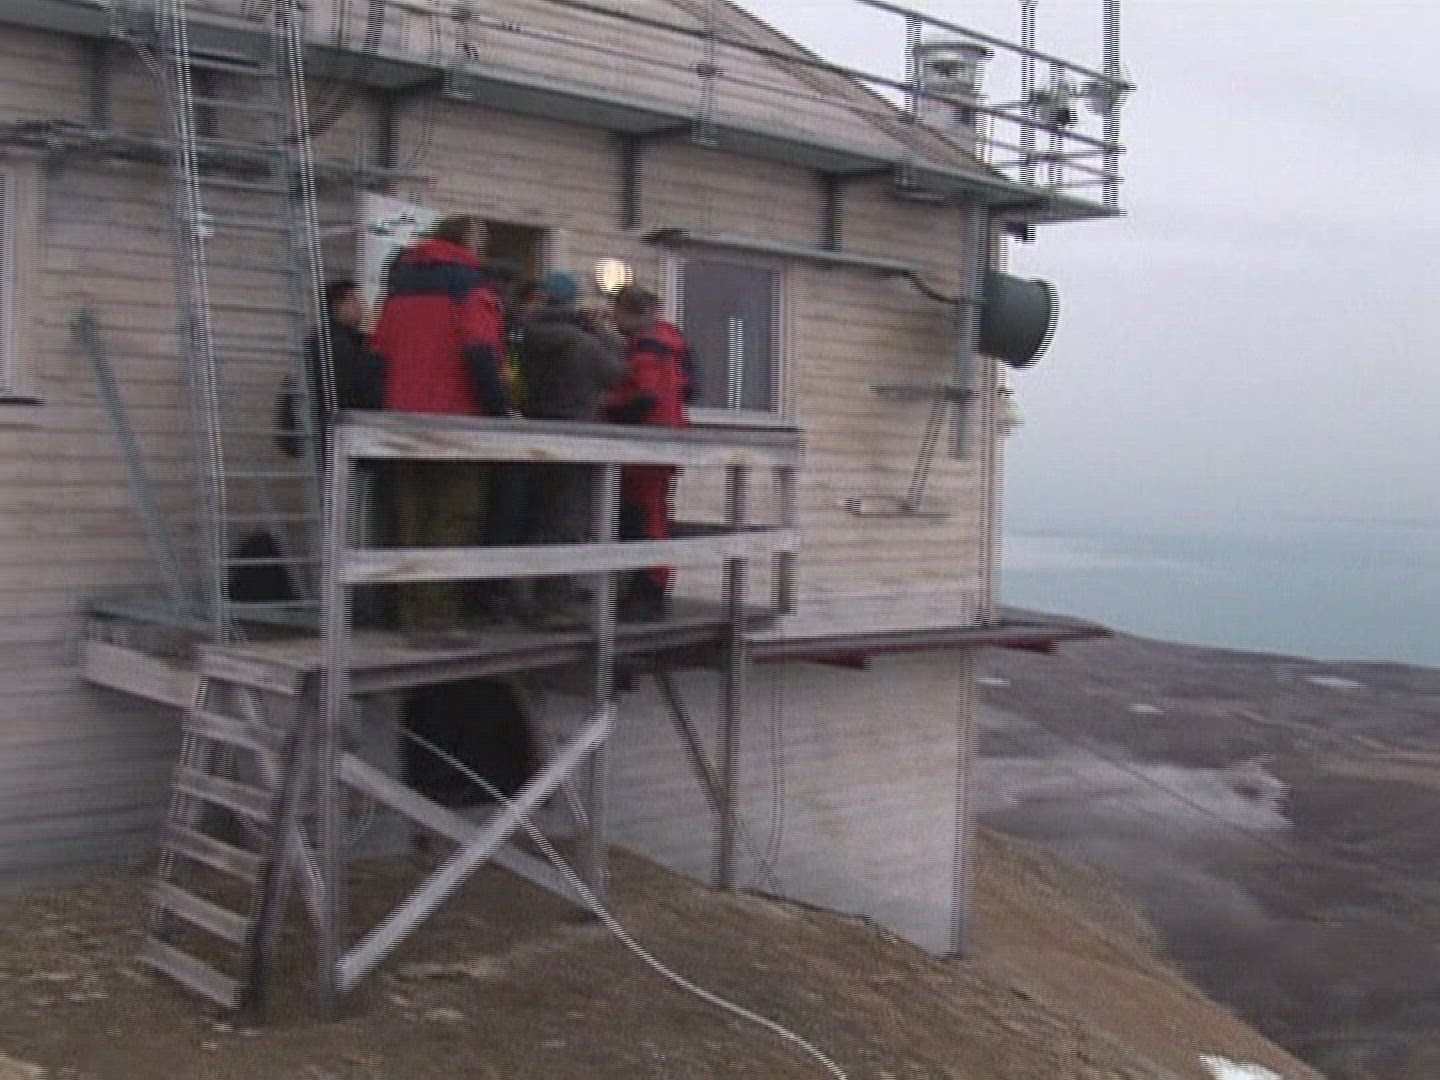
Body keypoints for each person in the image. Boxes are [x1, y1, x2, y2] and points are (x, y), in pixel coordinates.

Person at [368, 214, 510, 646]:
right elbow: (480, 352)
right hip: (455, 421)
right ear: (468, 241)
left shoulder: (398, 290)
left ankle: (410, 613)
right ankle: (438, 618)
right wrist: (499, 410)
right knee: (454, 517)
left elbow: (379, 356)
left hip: (401, 419)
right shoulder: (473, 288)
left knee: (411, 517)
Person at [521, 271, 628, 630]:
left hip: (533, 430)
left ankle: (522, 596)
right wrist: (604, 332)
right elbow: (617, 373)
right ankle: (554, 603)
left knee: (535, 516)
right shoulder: (581, 342)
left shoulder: (527, 335)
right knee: (565, 520)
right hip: (574, 433)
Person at [604, 284, 691, 622]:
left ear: (629, 312)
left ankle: (648, 591)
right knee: (651, 516)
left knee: (645, 519)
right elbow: (687, 389)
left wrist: (609, 407)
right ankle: (647, 588)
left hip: (646, 446)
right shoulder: (671, 345)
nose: (614, 321)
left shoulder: (648, 350)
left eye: (617, 313)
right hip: (663, 441)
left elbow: (646, 395)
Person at [277, 279, 383, 462]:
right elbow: (353, 393)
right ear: (337, 307)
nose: (362, 307)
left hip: (315, 435)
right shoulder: (341, 347)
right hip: (334, 437)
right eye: (354, 300)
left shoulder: (316, 342)